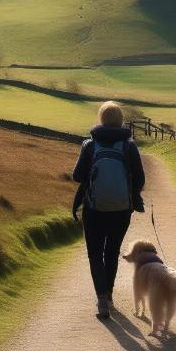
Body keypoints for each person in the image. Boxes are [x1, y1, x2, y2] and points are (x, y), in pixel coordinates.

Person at [73, 101, 145, 318]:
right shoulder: (129, 145)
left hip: (93, 209)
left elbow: (77, 176)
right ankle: (111, 296)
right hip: (121, 209)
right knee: (112, 251)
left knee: (95, 253)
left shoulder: (90, 145)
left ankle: (102, 300)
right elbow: (140, 180)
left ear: (101, 119)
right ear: (121, 120)